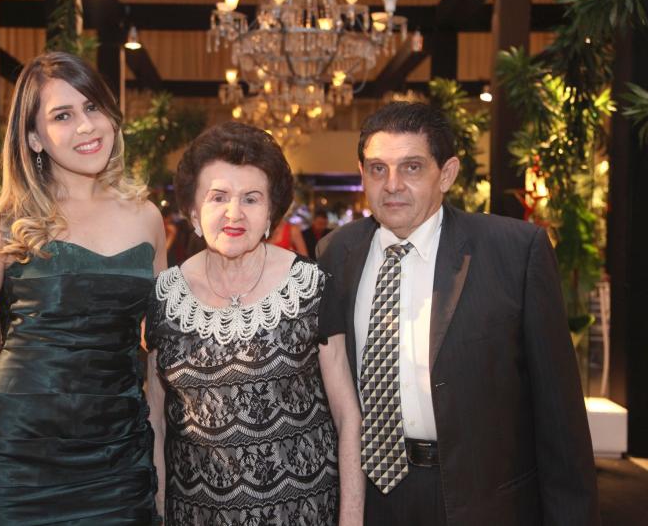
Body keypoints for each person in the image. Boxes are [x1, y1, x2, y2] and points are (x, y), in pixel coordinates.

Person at [0, 52, 166, 525]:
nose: (85, 125)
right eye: (62, 115)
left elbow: (161, 354)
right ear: (33, 138)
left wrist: (161, 461)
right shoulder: (4, 222)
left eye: (92, 107)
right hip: (15, 460)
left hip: (118, 460)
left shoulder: (146, 218)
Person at [317, 102, 599, 526]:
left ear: (446, 174)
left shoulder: (514, 252)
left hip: (478, 499)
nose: (392, 185)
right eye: (377, 169)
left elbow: (560, 418)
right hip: (368, 497)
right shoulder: (335, 252)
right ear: (362, 174)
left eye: (412, 167)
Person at [145, 122, 364, 525]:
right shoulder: (164, 297)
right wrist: (159, 512)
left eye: (251, 198)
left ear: (270, 214)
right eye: (218, 197)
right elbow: (155, 422)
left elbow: (348, 417)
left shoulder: (310, 287)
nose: (234, 213)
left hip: (302, 514)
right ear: (193, 212)